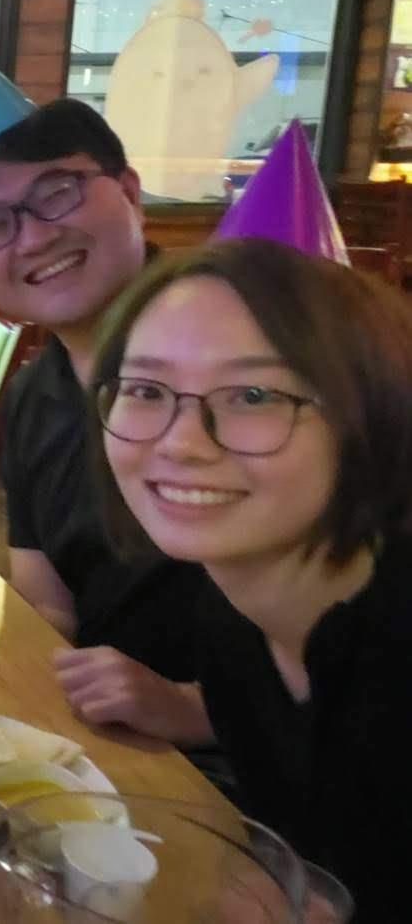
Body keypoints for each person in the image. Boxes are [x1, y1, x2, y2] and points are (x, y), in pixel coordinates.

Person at [92, 237, 412, 923]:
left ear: (369, 417)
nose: (180, 441)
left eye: (253, 395)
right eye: (146, 390)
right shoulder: (230, 615)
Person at [0, 24, 212, 748]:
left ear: (127, 190)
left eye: (54, 192)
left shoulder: (242, 368)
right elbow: (46, 605)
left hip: (276, 788)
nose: (30, 239)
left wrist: (192, 708)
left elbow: (364, 656)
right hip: (108, 743)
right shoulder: (33, 397)